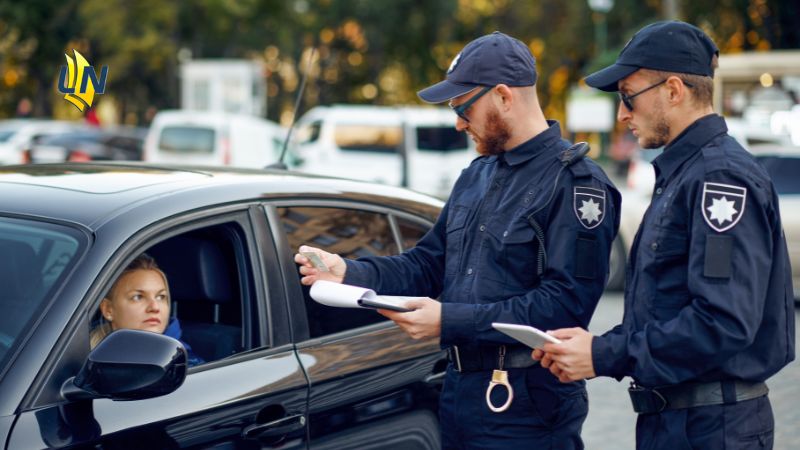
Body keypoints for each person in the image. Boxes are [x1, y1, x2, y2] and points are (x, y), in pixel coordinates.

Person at [295, 31, 620, 449]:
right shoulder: (476, 175)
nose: (458, 122)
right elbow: (427, 264)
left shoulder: (575, 183)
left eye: (463, 106)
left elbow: (563, 305)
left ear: (504, 96)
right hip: (459, 391)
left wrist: (449, 320)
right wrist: (350, 271)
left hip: (527, 404)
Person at [534, 21, 795, 449]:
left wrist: (603, 354)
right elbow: (667, 307)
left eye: (628, 97)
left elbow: (722, 323)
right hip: (678, 422)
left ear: (673, 90)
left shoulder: (719, 178)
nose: (622, 114)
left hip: (712, 428)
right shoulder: (686, 172)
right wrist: (599, 347)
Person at [90, 253, 204, 367]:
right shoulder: (82, 354)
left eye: (161, 297)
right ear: (108, 309)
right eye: (138, 297)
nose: (154, 307)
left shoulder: (187, 366)